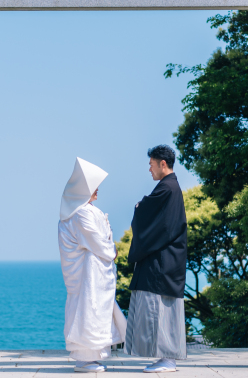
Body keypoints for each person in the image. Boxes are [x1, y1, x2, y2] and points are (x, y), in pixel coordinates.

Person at [58, 157, 127, 373]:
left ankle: (90, 357)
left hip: (91, 274)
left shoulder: (79, 211)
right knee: (88, 311)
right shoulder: (81, 214)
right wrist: (112, 251)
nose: (97, 191)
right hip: (88, 275)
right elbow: (98, 242)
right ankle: (86, 359)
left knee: (90, 311)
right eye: (93, 187)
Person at [124, 145, 188, 373]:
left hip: (163, 263)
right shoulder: (169, 188)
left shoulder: (167, 189)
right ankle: (164, 357)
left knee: (160, 311)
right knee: (160, 312)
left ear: (163, 164)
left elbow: (152, 220)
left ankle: (167, 359)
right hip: (167, 260)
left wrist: (139, 206)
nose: (149, 169)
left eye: (151, 164)